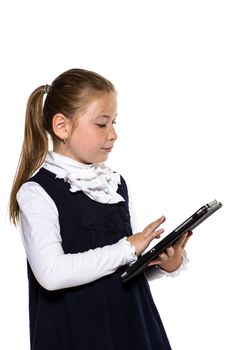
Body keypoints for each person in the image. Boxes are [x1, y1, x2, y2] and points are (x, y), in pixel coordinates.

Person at [9, 68, 191, 350]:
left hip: (134, 330)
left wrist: (163, 263)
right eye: (102, 124)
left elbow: (119, 271)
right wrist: (128, 248)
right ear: (62, 127)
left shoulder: (114, 185)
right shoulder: (37, 193)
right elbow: (51, 273)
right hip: (78, 336)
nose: (114, 134)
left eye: (114, 122)